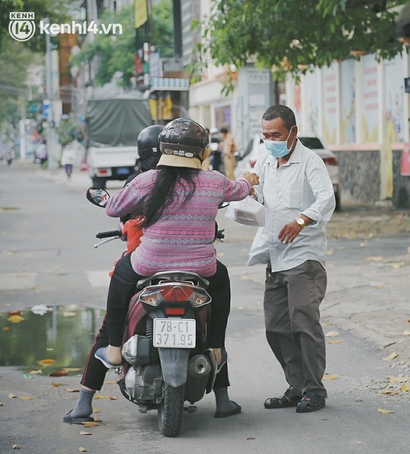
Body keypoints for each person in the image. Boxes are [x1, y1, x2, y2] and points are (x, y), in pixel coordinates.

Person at [64, 119, 258, 424]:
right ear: (202, 151)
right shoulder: (214, 181)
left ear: (163, 150)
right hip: (199, 268)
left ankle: (115, 350)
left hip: (150, 264)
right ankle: (217, 347)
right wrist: (249, 178)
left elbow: (114, 208)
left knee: (119, 284)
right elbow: (240, 189)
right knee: (221, 284)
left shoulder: (146, 180)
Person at [247, 105, 336, 413]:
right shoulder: (266, 160)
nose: (270, 140)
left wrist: (301, 221)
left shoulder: (310, 162)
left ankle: (314, 389)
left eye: (276, 134)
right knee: (276, 326)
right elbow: (262, 199)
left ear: (293, 133)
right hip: (275, 254)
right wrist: (251, 190)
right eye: (265, 134)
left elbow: (326, 198)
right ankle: (296, 385)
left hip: (304, 256)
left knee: (304, 323)